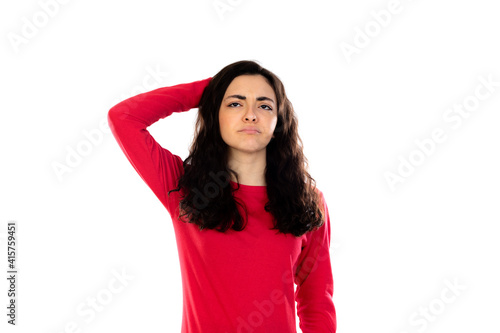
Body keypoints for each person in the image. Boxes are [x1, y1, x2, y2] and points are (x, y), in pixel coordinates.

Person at [107, 60, 336, 332]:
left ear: (279, 121)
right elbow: (123, 118)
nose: (251, 115)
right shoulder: (184, 187)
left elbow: (316, 301)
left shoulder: (307, 200)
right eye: (235, 104)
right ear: (215, 114)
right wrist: (211, 89)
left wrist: (227, 93)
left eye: (264, 106)